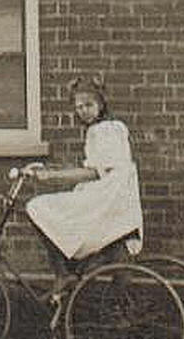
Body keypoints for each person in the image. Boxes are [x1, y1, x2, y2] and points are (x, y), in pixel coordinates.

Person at [23, 76, 143, 297]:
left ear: (101, 103)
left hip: (107, 196)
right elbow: (97, 165)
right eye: (78, 107)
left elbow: (94, 172)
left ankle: (62, 273)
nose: (83, 111)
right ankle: (71, 273)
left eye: (88, 105)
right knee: (66, 219)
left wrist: (50, 178)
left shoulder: (104, 130)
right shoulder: (107, 129)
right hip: (112, 196)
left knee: (36, 207)